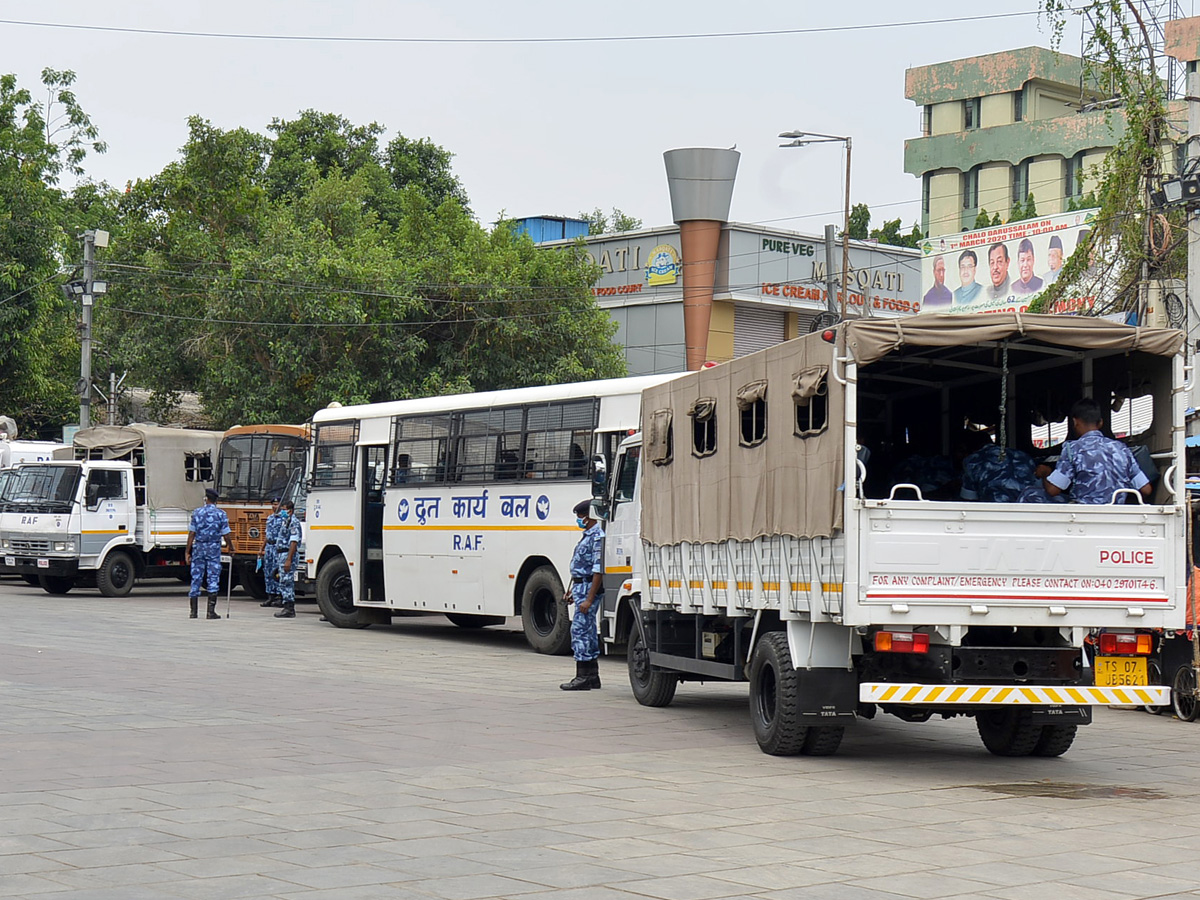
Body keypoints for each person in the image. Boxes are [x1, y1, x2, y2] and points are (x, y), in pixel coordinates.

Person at [1041, 398, 1153, 504]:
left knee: (1030, 493)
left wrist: (1045, 473)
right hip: (1118, 513)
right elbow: (1146, 489)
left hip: (1084, 514)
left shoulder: (1073, 449)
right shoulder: (1122, 449)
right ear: (1100, 423)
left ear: (1075, 422)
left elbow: (1053, 490)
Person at [560, 499, 604, 691]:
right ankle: (592, 676)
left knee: (579, 631)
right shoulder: (587, 536)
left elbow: (597, 571)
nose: (578, 520)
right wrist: (572, 591)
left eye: (579, 516)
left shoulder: (597, 537)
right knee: (589, 631)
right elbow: (579, 567)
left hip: (588, 589)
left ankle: (583, 676)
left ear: (588, 516)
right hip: (581, 587)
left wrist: (588, 598)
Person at [185, 487, 232, 619]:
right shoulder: (220, 514)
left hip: (199, 547)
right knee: (213, 577)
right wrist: (231, 547)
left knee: (196, 577)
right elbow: (226, 534)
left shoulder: (197, 513)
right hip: (213, 548)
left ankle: (193, 612)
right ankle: (210, 612)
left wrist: (187, 551)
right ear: (216, 500)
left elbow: (191, 534)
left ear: (206, 498)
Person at [274, 499, 303, 618]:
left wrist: (289, 559)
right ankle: (286, 604)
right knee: (282, 580)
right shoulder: (286, 521)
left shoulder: (293, 522)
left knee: (287, 581)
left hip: (287, 554)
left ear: (290, 510)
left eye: (284, 510)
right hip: (282, 554)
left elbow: (294, 542)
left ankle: (289, 608)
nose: (282, 512)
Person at [258, 497, 284, 608]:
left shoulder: (284, 519)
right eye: (273, 504)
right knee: (267, 571)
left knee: (277, 572)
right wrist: (261, 548)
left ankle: (280, 596)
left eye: (277, 504)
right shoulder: (270, 518)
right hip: (269, 547)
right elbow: (267, 535)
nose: (274, 506)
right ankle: (270, 596)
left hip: (278, 547)